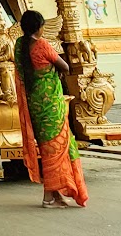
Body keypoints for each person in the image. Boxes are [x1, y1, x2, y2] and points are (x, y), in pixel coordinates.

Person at [14, 10, 89, 208]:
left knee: (48, 147)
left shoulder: (19, 45)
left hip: (35, 104)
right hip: (51, 105)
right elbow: (65, 67)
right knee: (55, 149)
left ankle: (57, 195)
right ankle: (48, 196)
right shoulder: (41, 45)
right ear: (39, 27)